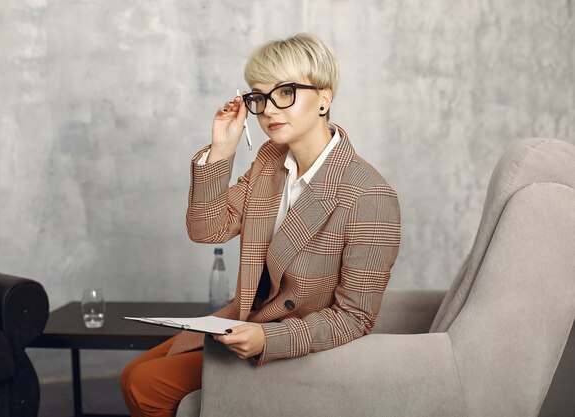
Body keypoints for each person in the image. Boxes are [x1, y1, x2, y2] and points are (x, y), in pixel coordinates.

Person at [120, 32, 401, 417]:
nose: (268, 109)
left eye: (285, 92)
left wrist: (269, 337)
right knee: (132, 373)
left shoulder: (368, 195)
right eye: (259, 96)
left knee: (144, 385)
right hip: (244, 322)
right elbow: (208, 229)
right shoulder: (271, 159)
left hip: (295, 344)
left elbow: (355, 318)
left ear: (324, 97)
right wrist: (222, 149)